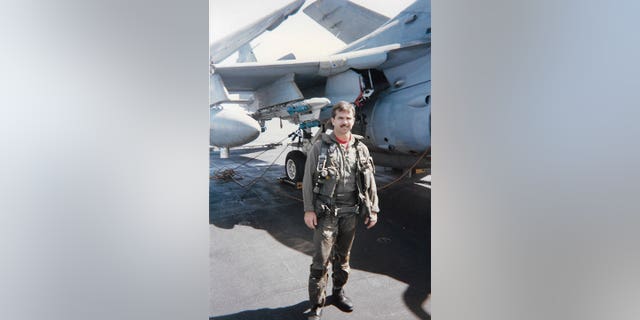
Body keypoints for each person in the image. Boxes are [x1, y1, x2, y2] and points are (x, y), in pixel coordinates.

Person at [302, 101, 379, 320]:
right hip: (326, 213)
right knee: (320, 262)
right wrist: (309, 209)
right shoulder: (320, 147)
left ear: (353, 121)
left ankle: (338, 292)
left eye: (349, 118)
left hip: (350, 214)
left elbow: (369, 181)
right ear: (333, 120)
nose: (345, 122)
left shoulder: (360, 148)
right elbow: (308, 181)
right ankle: (317, 303)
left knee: (343, 258)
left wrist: (372, 209)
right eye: (341, 118)